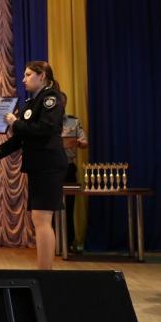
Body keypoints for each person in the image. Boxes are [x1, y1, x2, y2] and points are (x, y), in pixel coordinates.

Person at [0, 61, 67, 270]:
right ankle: (44, 271)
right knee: (39, 218)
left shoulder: (51, 99)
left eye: (28, 75)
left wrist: (15, 123)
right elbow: (23, 137)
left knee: (42, 219)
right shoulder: (33, 102)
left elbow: (44, 129)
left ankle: (45, 273)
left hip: (48, 165)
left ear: (42, 76)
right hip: (38, 166)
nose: (24, 79)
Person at [60, 92, 88, 252]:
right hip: (51, 169)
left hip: (68, 167)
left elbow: (84, 142)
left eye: (62, 102)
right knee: (50, 207)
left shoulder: (73, 121)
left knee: (68, 207)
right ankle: (53, 242)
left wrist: (80, 143)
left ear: (65, 103)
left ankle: (69, 242)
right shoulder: (46, 122)